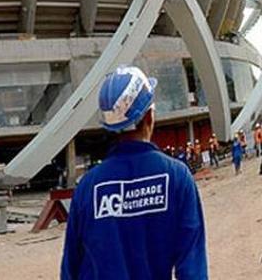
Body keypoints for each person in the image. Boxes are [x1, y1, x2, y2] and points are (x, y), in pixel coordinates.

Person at [61, 65, 207, 279]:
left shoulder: (88, 187)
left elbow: (71, 266)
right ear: (149, 117)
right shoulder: (176, 177)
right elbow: (192, 268)